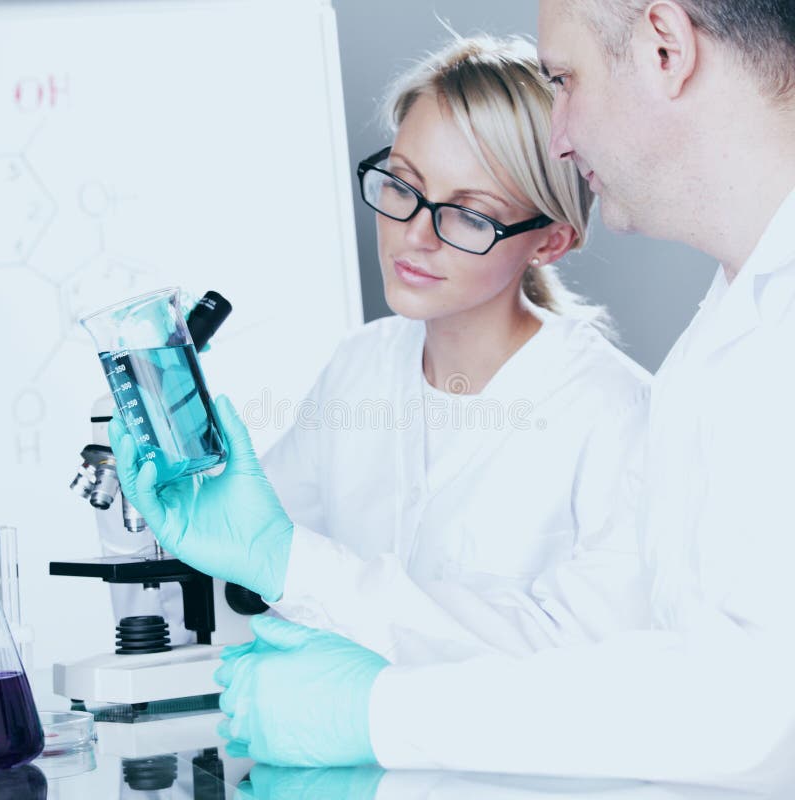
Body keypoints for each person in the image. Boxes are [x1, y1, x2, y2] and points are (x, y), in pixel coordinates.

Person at [210, 0, 795, 791]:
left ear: (666, 48)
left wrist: (376, 709)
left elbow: (743, 704)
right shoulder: (724, 333)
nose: (560, 138)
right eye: (404, 186)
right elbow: (664, 670)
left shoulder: (631, 399)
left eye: (564, 80)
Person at [111, 35, 650, 670]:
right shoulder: (361, 366)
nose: (414, 235)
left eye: (470, 215)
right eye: (402, 184)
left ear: (550, 241)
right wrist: (186, 475)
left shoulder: (614, 411)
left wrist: (294, 570)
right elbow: (258, 552)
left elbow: (594, 656)